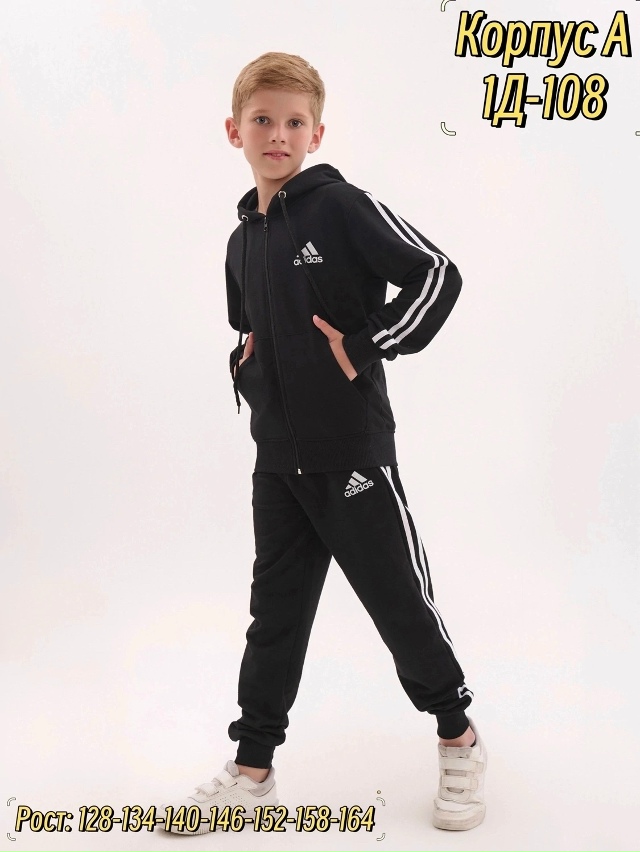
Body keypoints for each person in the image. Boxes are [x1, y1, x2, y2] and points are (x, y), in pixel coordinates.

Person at [162, 51, 487, 835]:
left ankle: (459, 737)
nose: (278, 134)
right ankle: (252, 771)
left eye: (294, 121)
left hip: (351, 453)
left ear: (317, 133)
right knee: (273, 617)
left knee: (397, 602)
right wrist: (244, 368)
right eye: (263, 120)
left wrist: (369, 344)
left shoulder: (341, 206)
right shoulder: (240, 240)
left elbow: (437, 273)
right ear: (234, 131)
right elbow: (251, 329)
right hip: (277, 462)